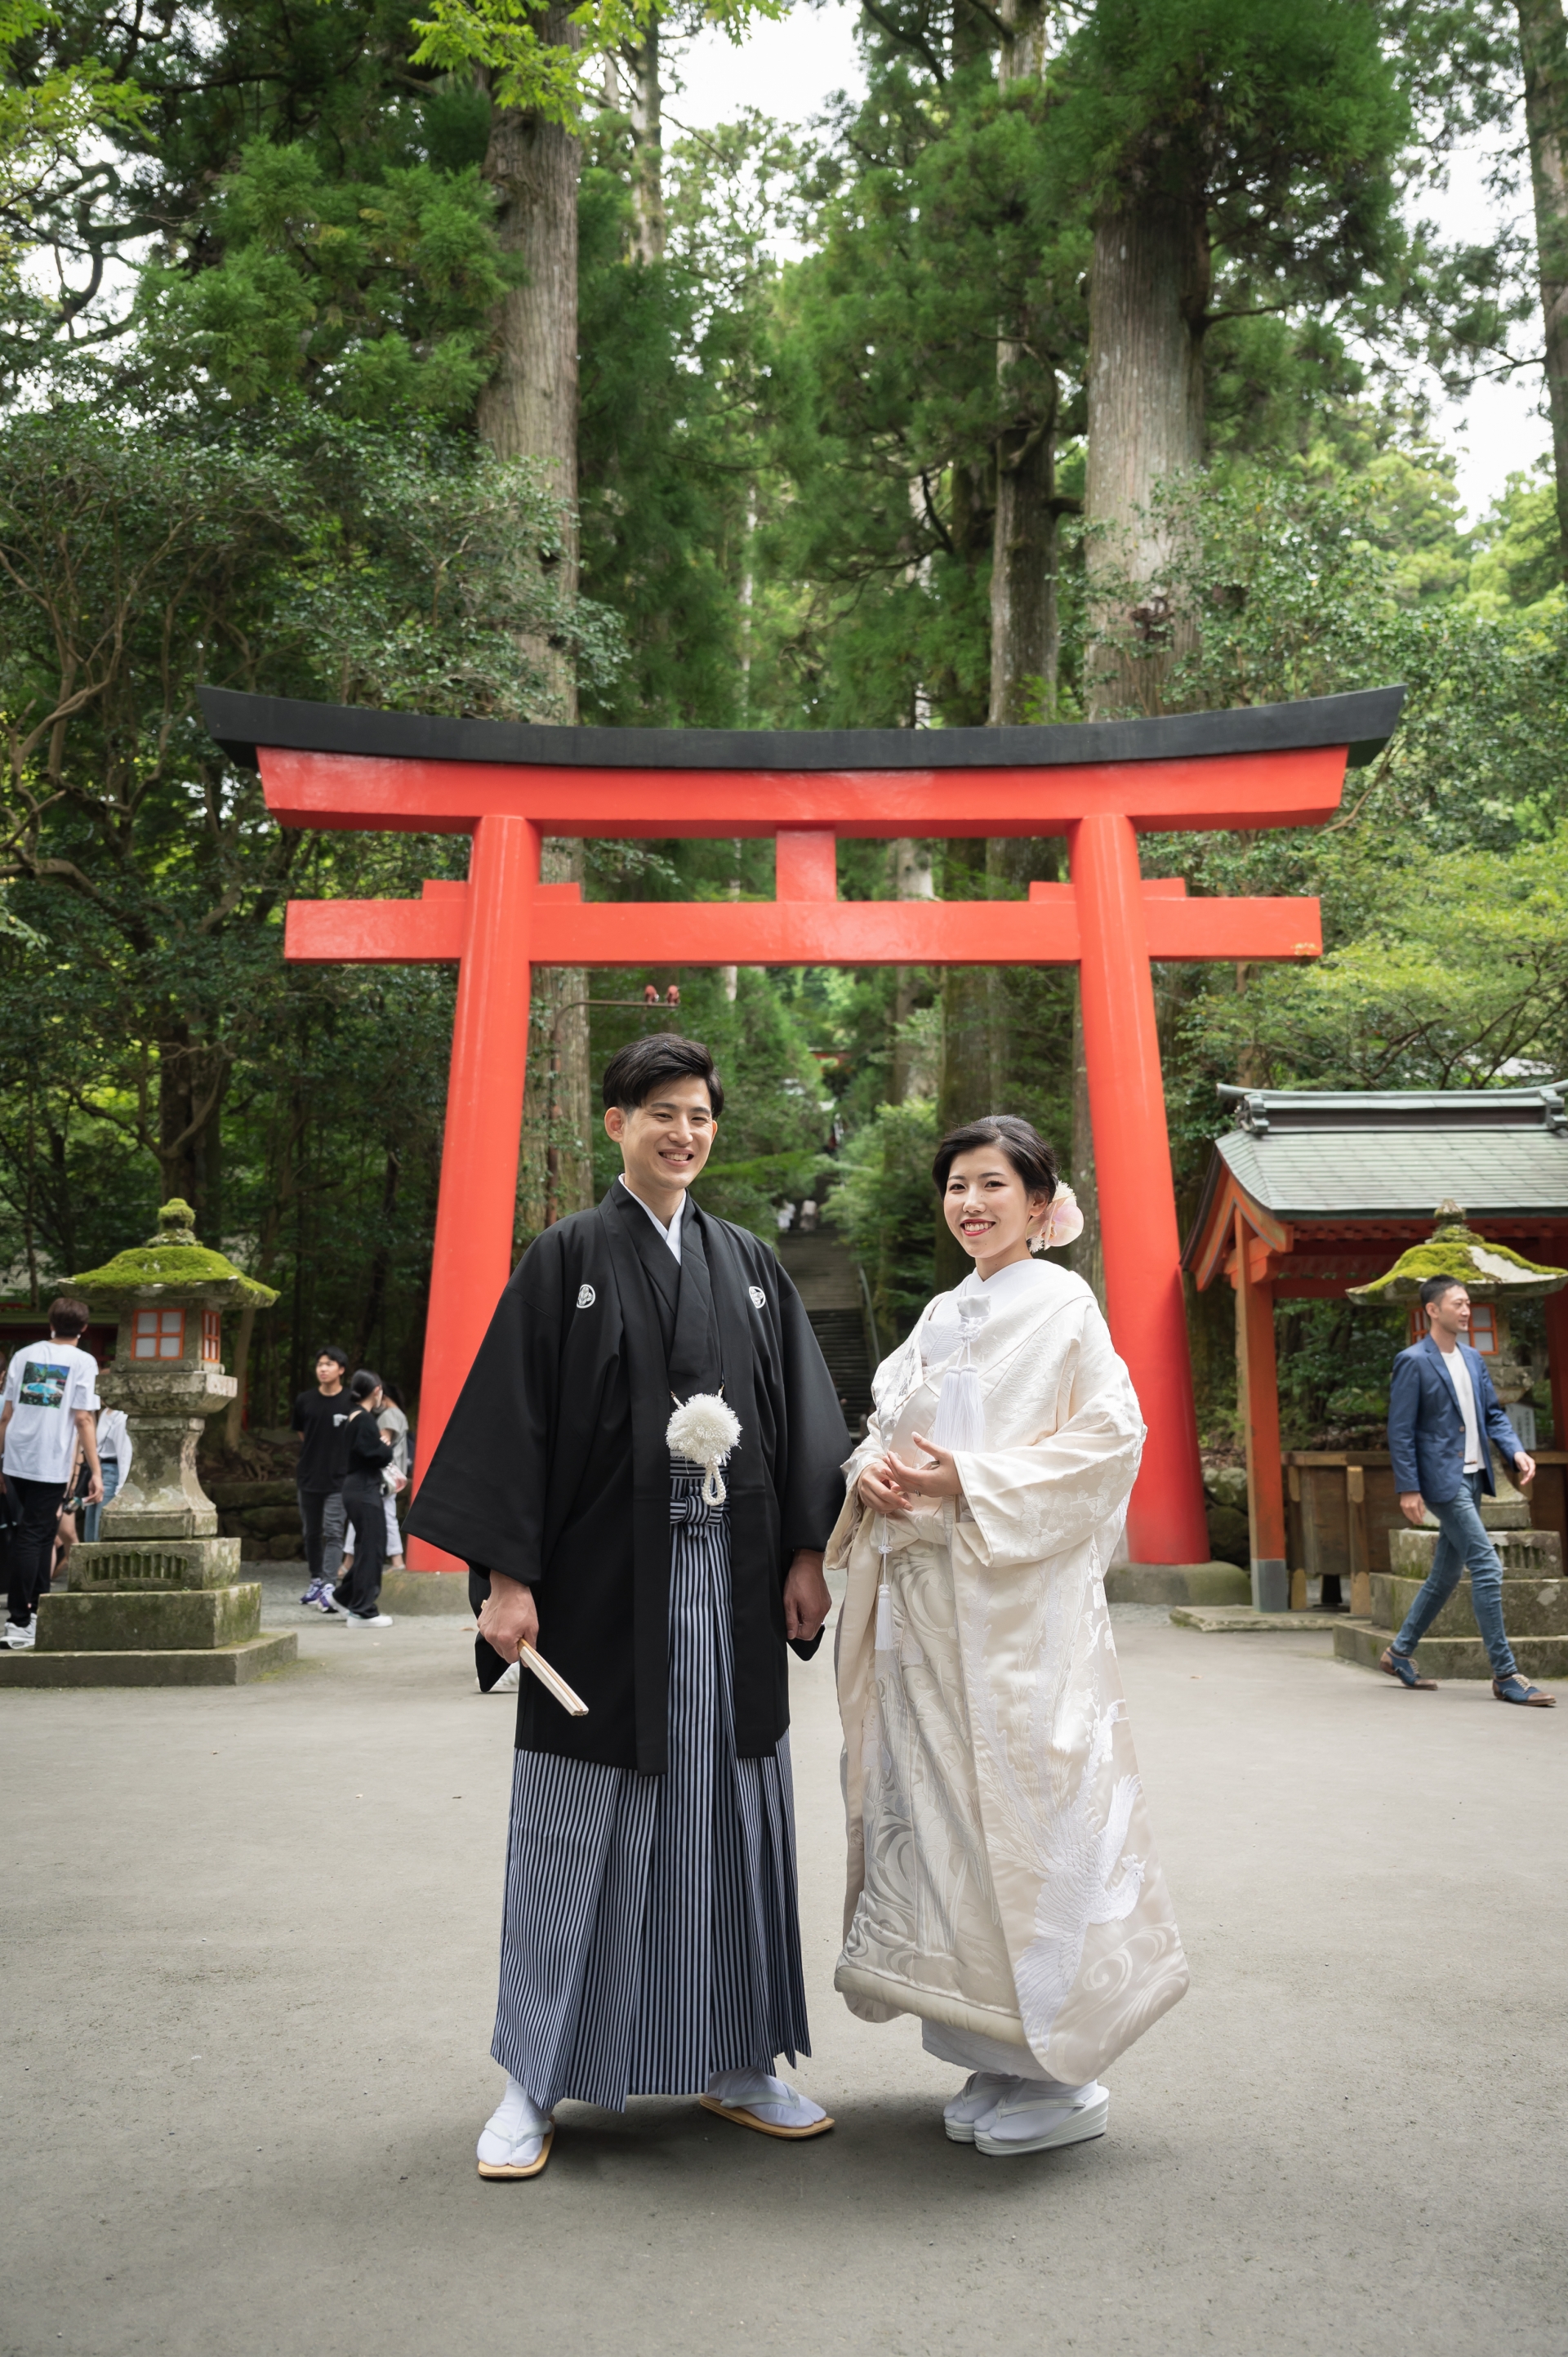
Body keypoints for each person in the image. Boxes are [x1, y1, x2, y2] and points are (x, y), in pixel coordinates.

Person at [408, 1034, 849, 2181]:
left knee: (732, 1819)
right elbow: (515, 1423)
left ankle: (739, 2056)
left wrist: (808, 1550)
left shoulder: (750, 1260)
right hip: (602, 1595)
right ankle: (532, 2078)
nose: (683, 1133)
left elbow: (803, 1417)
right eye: (660, 1112)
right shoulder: (567, 1257)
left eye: (699, 1113)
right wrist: (509, 1578)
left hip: (733, 1590)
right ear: (616, 1124)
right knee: (579, 1821)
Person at [826, 1116, 1189, 2159]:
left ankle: (1061, 2072)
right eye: (955, 1186)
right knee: (946, 1823)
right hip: (930, 1617)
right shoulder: (943, 1311)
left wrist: (971, 1480)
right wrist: (875, 1474)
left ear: (1041, 1203)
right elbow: (884, 1426)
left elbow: (1111, 1440)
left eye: (993, 1184)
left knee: (1030, 1813)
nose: (970, 1203)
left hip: (1020, 1618)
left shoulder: (1064, 1303)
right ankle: (994, 2053)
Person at [1381, 1276, 1554, 1705]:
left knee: (1445, 1574)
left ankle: (1399, 1652)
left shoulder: (1474, 1358)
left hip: (1475, 1476)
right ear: (1432, 1311)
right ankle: (1505, 1674)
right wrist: (1408, 1488)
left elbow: (1493, 1415)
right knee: (1488, 1566)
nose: (1466, 1310)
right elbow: (1400, 1430)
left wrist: (1516, 1452)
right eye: (1457, 1303)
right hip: (1443, 1480)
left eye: (1468, 1303)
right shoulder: (1413, 1360)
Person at [0, 1299, 103, 1651]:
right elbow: (84, 1418)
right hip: (49, 1459)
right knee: (33, 1535)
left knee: (40, 1534)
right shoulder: (84, 1361)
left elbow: (6, 1414)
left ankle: (38, 1609)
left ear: (51, 1324)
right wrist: (96, 1471)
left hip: (16, 1456)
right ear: (84, 1328)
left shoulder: (23, 1355)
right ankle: (18, 1621)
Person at [327, 1370, 403, 1628]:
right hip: (364, 1488)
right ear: (376, 1390)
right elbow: (375, 1453)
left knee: (366, 1547)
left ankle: (343, 1596)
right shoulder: (364, 1419)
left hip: (357, 1487)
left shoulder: (354, 1417)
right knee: (373, 1547)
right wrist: (385, 1449)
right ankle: (362, 1611)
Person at [293, 1348, 351, 1610]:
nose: (323, 1368)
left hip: (339, 1479)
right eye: (319, 1364)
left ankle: (329, 1585)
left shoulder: (351, 1400)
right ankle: (316, 1579)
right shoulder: (305, 1400)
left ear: (341, 1369)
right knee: (311, 1533)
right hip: (308, 1476)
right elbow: (302, 1434)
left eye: (329, 1364)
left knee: (333, 1531)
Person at [338, 1377, 411, 1584]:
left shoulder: (386, 1416)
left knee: (375, 1523)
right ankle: (392, 1561)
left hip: (377, 1478)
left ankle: (354, 1564)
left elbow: (377, 1446)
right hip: (386, 1477)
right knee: (380, 1520)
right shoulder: (398, 1415)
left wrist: (382, 1449)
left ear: (381, 1393)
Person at [81, 1405, 131, 1544]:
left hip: (113, 1474)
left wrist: (121, 1491)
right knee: (91, 1533)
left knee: (103, 1534)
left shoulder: (122, 1416)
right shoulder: (105, 1413)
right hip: (100, 1472)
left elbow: (124, 1455)